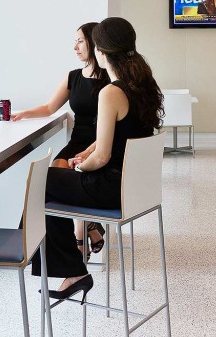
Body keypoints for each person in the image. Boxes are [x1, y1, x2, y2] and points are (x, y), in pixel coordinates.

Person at [32, 17, 164, 301]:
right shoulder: (143, 85)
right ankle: (59, 257)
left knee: (40, 181)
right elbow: (117, 139)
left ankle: (70, 268)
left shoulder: (111, 92)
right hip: (136, 189)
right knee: (50, 180)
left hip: (111, 187)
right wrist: (87, 153)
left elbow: (103, 157)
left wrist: (79, 166)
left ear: (100, 52)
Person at [7, 23, 109, 253]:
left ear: (94, 43)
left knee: (67, 179)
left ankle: (79, 237)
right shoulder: (73, 77)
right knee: (57, 170)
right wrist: (23, 114)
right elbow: (49, 107)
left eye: (80, 41)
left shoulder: (110, 80)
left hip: (100, 144)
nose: (75, 47)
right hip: (77, 142)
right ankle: (87, 228)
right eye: (75, 42)